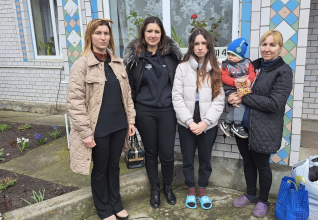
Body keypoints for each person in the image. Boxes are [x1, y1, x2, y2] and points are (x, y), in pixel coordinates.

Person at [66, 18, 136, 220]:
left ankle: (116, 203)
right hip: (98, 128)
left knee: (114, 166)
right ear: (90, 36)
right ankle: (104, 209)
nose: (103, 37)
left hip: (119, 124)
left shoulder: (117, 62)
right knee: (101, 168)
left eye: (106, 33)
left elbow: (127, 94)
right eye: (98, 33)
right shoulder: (81, 65)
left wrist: (131, 120)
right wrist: (85, 132)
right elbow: (75, 102)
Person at [228, 30, 293, 218]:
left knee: (262, 165)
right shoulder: (252, 65)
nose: (267, 49)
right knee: (248, 162)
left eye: (272, 45)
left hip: (265, 128)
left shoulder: (284, 72)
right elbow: (236, 87)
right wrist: (231, 98)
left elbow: (274, 104)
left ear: (280, 48)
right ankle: (250, 195)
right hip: (244, 126)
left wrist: (244, 97)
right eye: (264, 44)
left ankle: (263, 200)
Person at [123, 16, 182, 209]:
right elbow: (130, 88)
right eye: (149, 31)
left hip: (167, 111)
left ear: (162, 34)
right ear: (143, 33)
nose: (153, 35)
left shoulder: (172, 56)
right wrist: (130, 117)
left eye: (157, 31)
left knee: (167, 153)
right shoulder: (135, 57)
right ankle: (154, 189)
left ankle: (168, 187)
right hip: (144, 111)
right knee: (151, 152)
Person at [172, 28, 225, 210]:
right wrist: (189, 122)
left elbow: (219, 100)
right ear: (191, 46)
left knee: (205, 158)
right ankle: (190, 190)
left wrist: (205, 122)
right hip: (187, 119)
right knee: (187, 158)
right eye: (197, 43)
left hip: (207, 121)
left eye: (204, 43)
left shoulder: (215, 68)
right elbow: (176, 98)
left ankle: (202, 190)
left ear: (209, 45)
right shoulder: (182, 67)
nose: (200, 47)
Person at [219, 38, 255, 139]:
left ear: (241, 55)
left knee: (240, 104)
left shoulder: (248, 63)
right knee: (240, 103)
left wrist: (249, 80)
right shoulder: (226, 65)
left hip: (244, 88)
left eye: (233, 55)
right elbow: (224, 77)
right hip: (231, 88)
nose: (229, 57)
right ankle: (237, 124)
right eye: (228, 54)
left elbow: (253, 73)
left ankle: (227, 123)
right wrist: (234, 82)